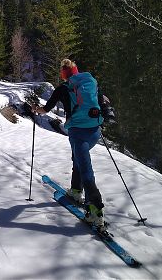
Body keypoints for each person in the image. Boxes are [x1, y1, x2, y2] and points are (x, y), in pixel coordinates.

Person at [33, 59, 106, 227]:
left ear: (63, 74)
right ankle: (75, 190)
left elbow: (46, 109)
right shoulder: (90, 82)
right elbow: (101, 102)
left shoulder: (63, 88)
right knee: (78, 160)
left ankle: (95, 210)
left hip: (78, 132)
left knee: (86, 169)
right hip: (95, 130)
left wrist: (36, 109)